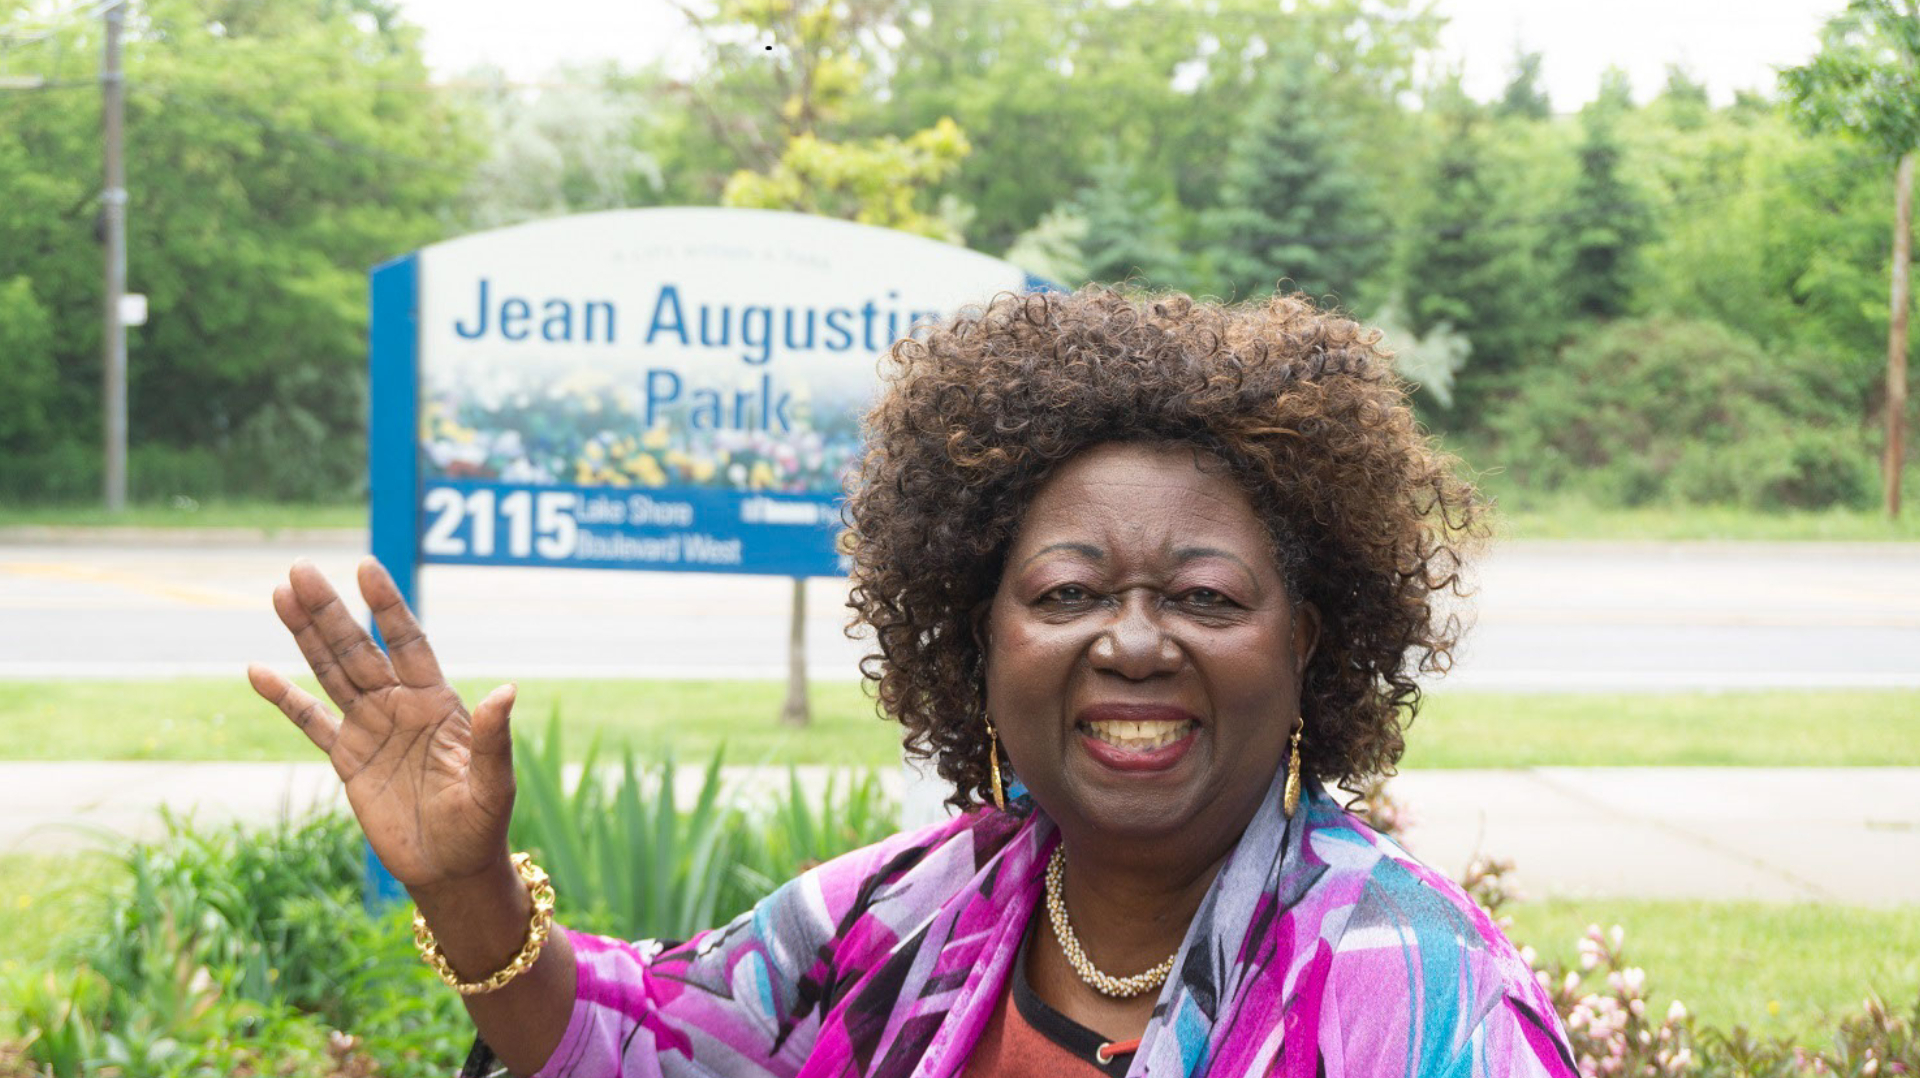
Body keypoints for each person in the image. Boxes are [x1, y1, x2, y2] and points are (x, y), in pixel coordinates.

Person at [249, 286, 1577, 1077]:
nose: (1130, 641)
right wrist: (463, 886)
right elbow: (646, 1050)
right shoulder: (904, 916)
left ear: (1310, 644)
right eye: (1065, 593)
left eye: (1204, 596)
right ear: (976, 640)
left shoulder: (1413, 988)